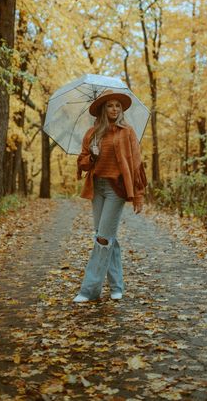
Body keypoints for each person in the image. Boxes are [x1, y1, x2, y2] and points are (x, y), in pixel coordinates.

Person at [73, 90, 147, 303]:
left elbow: (136, 164)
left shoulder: (127, 132)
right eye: (110, 106)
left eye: (118, 106)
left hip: (117, 188)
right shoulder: (92, 133)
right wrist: (92, 155)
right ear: (103, 109)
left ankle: (89, 290)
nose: (114, 109)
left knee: (103, 238)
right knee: (105, 236)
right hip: (98, 187)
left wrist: (139, 195)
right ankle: (117, 286)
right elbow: (83, 163)